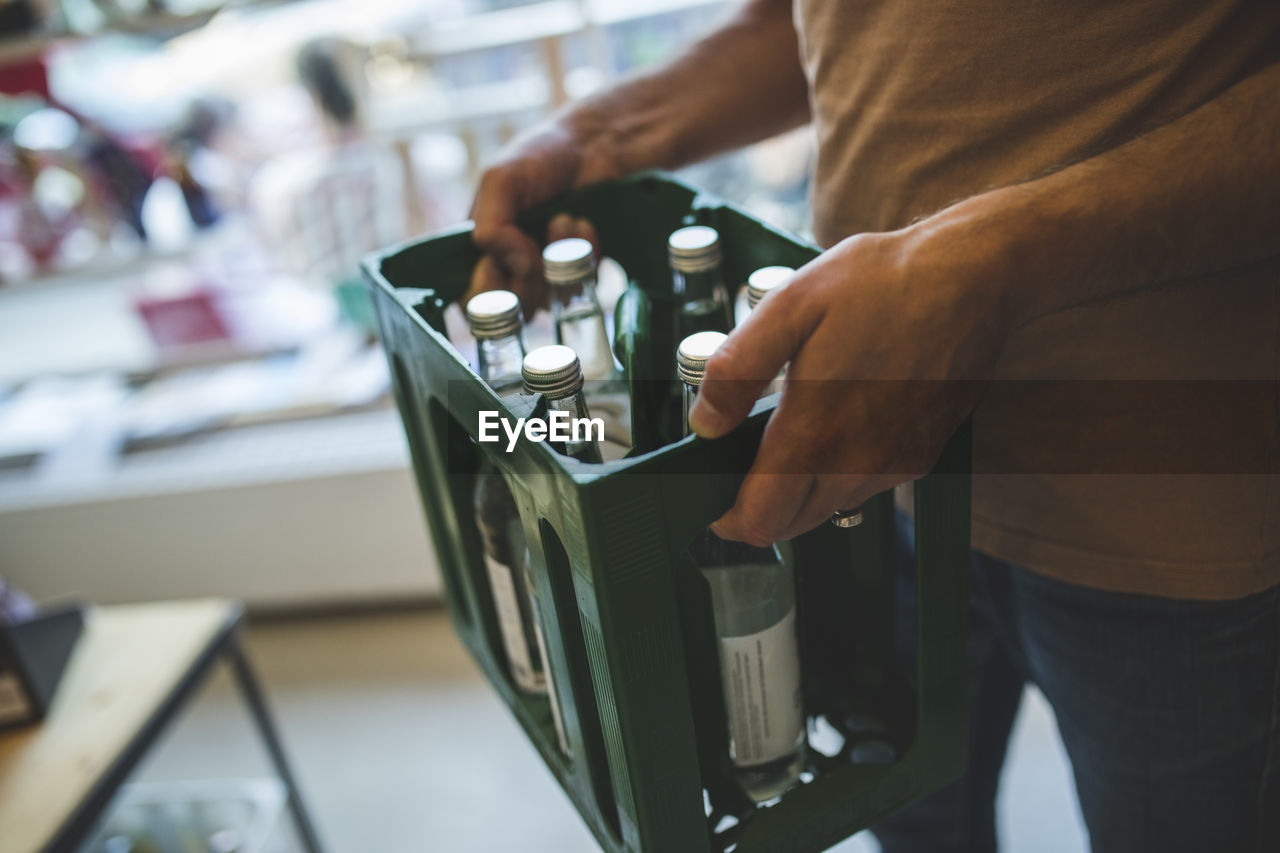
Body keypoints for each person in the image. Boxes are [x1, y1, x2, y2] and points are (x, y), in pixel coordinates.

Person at [467, 2, 1280, 850]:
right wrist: (602, 133)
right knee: (907, 820)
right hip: (871, 472)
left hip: (1167, 504)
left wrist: (1000, 257)